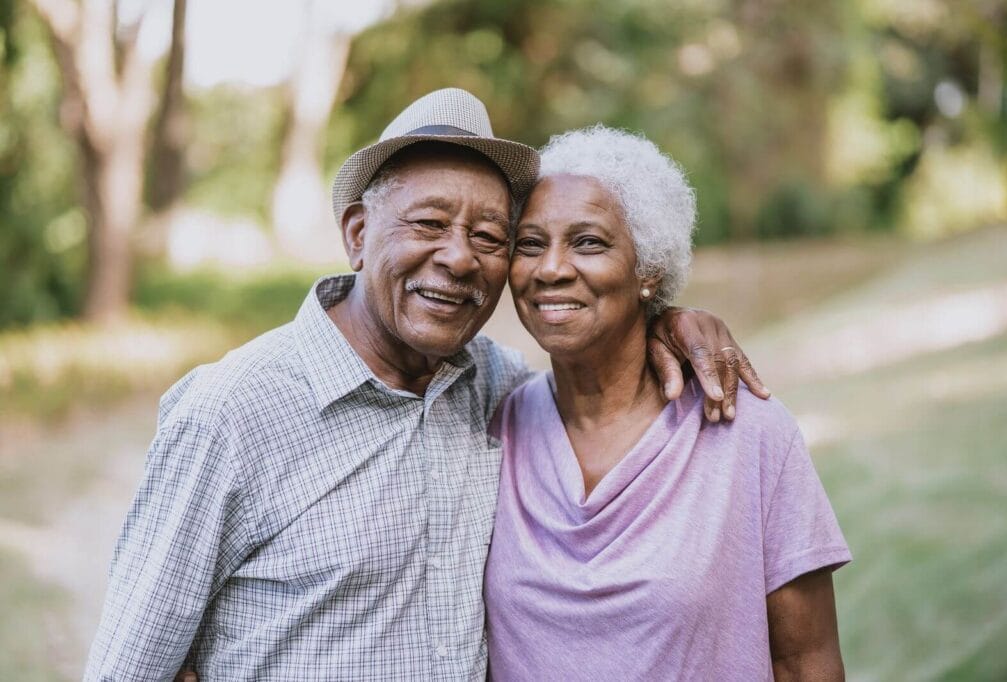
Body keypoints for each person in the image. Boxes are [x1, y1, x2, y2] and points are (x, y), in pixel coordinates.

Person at [84, 89, 767, 681]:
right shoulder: (233, 412)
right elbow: (128, 665)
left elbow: (598, 359)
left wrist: (663, 321)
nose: (458, 257)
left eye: (491, 236)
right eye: (429, 223)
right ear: (357, 232)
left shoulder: (496, 391)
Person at [484, 126, 851, 681]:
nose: (550, 269)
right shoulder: (494, 424)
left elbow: (805, 659)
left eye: (588, 242)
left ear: (649, 271)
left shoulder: (746, 432)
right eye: (530, 244)